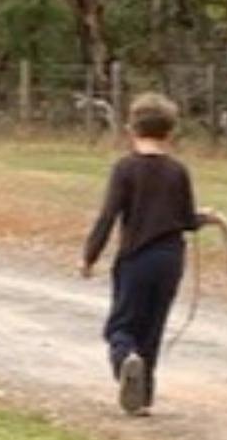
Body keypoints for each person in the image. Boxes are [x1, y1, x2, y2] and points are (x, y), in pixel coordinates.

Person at [80, 92, 211, 416]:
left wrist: (89, 256)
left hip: (136, 258)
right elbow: (185, 220)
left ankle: (126, 360)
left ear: (131, 130)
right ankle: (143, 397)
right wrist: (203, 218)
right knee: (153, 327)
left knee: (121, 326)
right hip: (169, 260)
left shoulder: (125, 169)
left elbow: (108, 216)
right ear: (170, 133)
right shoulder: (178, 171)